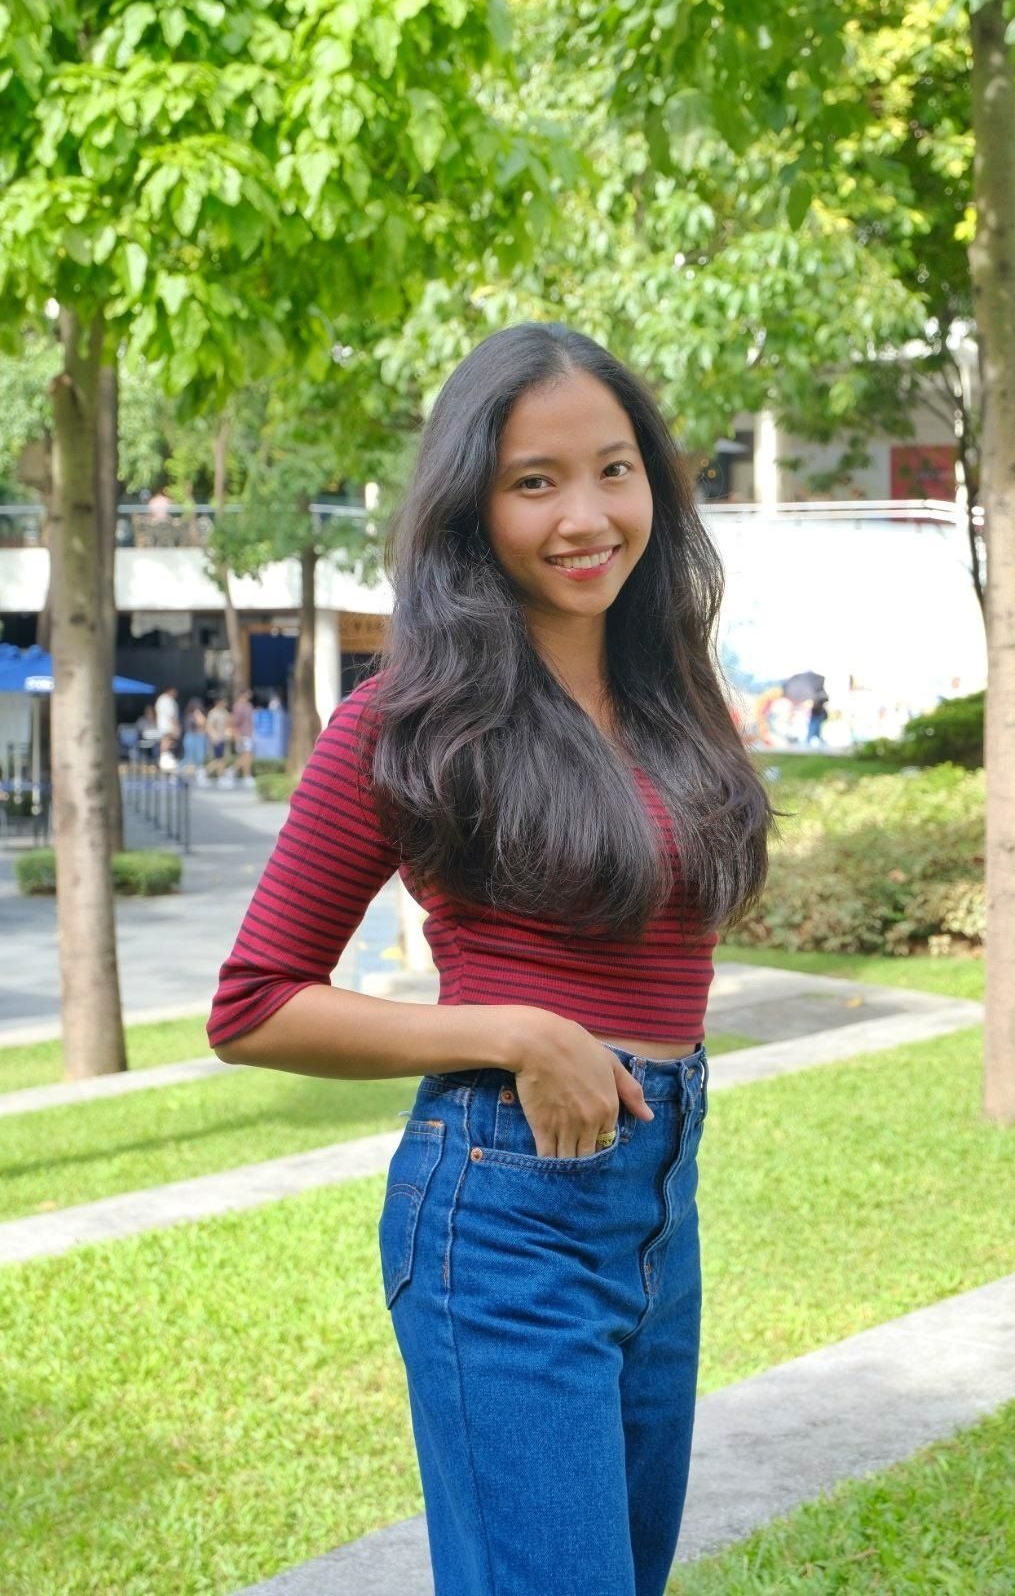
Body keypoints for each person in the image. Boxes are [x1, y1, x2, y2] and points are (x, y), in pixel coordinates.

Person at [206, 323, 775, 1596]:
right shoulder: (410, 720)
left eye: (615, 470)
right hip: (504, 1211)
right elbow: (252, 1006)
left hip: (657, 1202)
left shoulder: (677, 690)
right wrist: (513, 1030)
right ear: (473, 505)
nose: (587, 516)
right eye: (535, 482)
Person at [205, 694, 233, 776]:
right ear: (218, 702)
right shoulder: (213, 713)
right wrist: (214, 736)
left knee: (223, 759)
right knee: (219, 759)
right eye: (223, 702)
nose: (225, 703)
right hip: (216, 739)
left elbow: (229, 724)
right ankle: (206, 772)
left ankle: (220, 776)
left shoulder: (225, 712)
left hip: (224, 738)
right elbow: (208, 726)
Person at [231, 688, 255, 780]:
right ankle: (233, 770)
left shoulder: (249, 706)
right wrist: (237, 735)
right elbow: (235, 722)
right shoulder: (238, 706)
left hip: (249, 733)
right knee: (246, 755)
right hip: (242, 733)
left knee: (247, 755)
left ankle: (246, 775)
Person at [154, 684, 180, 769]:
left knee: (166, 741)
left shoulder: (160, 699)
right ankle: (164, 759)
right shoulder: (168, 700)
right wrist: (175, 726)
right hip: (168, 725)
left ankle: (165, 758)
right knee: (167, 741)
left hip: (162, 725)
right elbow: (171, 715)